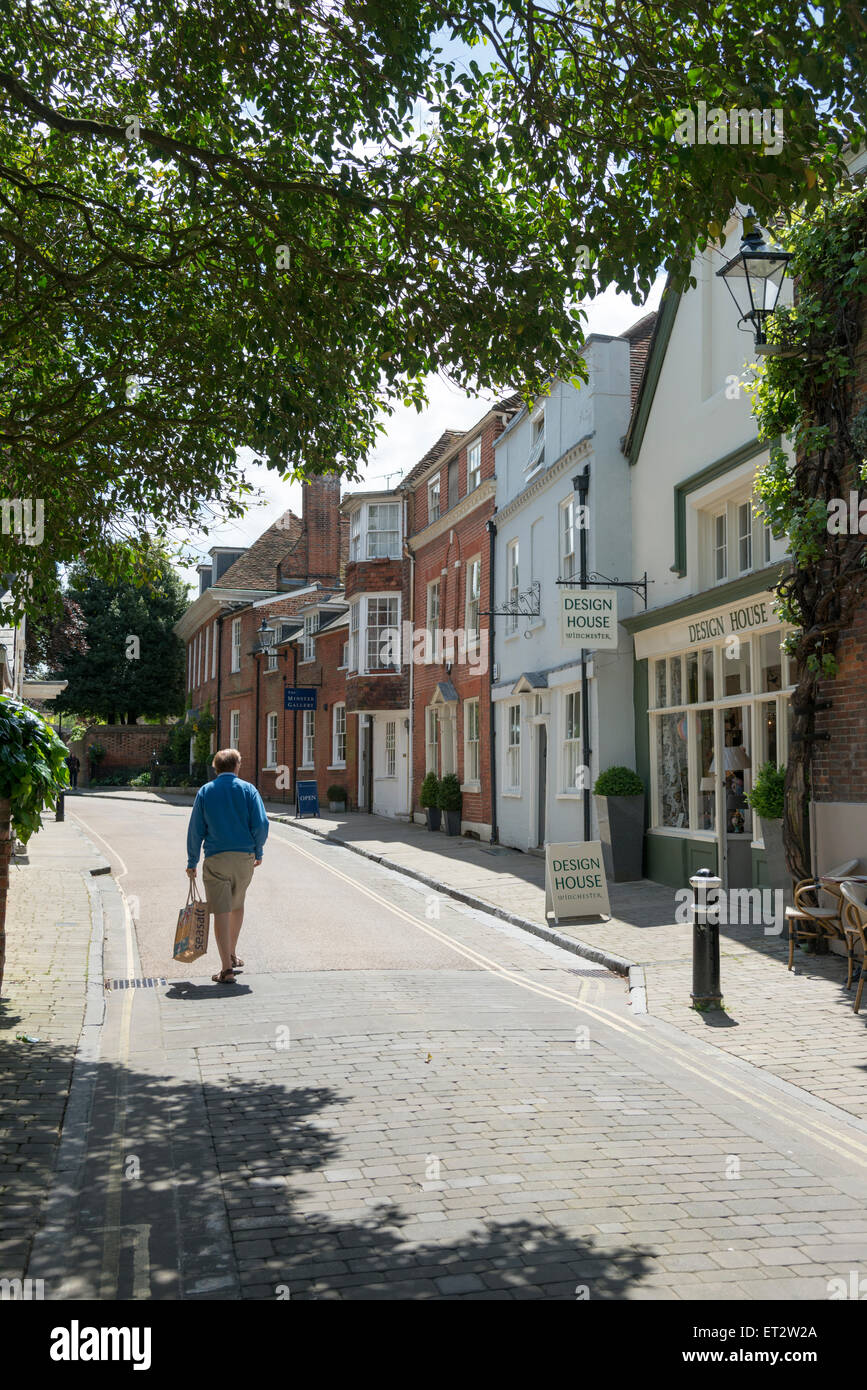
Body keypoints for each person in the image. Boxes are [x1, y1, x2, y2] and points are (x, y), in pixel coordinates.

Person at [186, 747, 269, 985]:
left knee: (221, 911)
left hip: (216, 859)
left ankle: (226, 968)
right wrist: (258, 849)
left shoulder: (206, 791)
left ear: (216, 768)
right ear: (237, 766)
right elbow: (261, 824)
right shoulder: (248, 790)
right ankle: (232, 953)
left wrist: (192, 861)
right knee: (237, 904)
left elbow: (195, 830)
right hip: (244, 858)